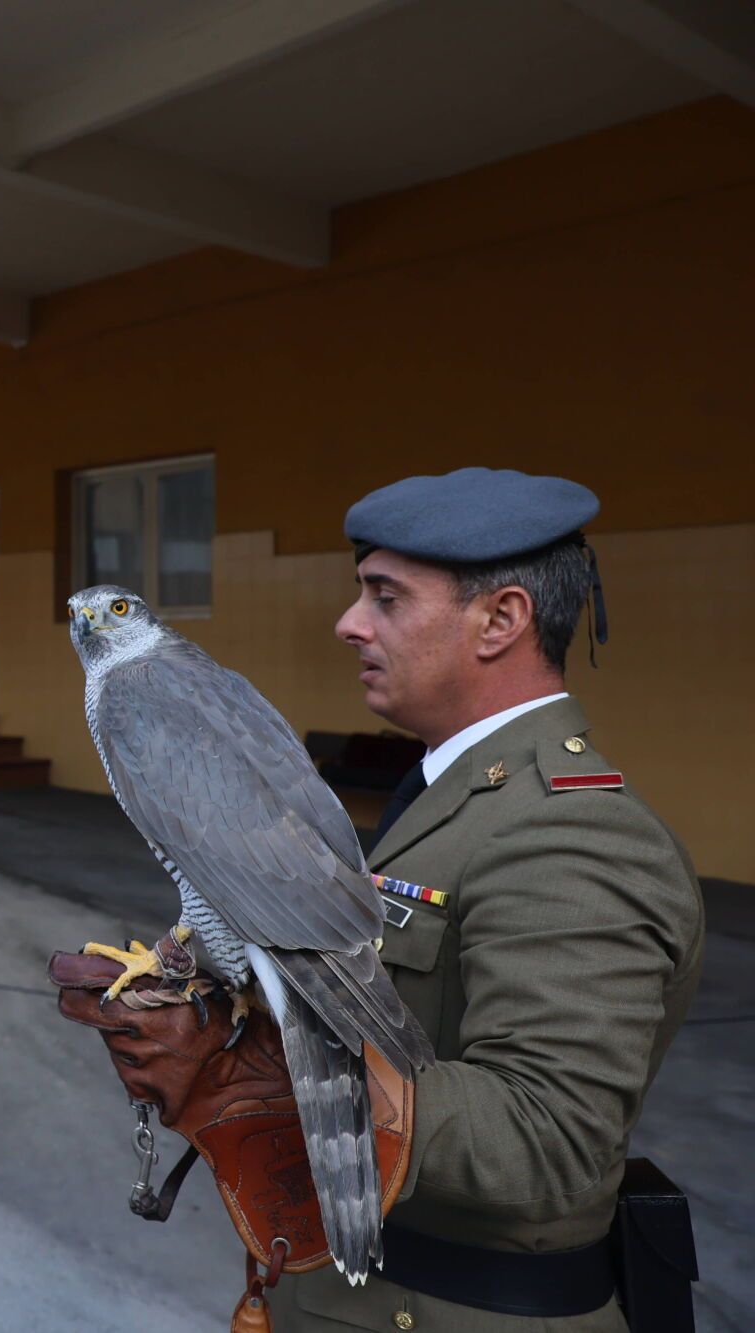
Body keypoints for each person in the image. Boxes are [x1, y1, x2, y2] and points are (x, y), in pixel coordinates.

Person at [270, 467, 705, 1329]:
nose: (349, 623)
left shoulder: (570, 833)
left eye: (384, 597)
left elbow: (545, 1139)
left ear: (501, 619)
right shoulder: (457, 794)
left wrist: (267, 1067)